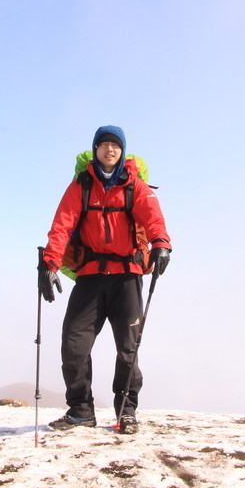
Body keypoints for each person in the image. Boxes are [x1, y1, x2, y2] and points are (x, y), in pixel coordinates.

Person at [38, 125, 171, 434]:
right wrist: (50, 264)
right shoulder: (81, 186)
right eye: (104, 145)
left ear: (122, 151)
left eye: (115, 145)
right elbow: (62, 224)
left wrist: (162, 244)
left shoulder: (134, 186)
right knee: (74, 345)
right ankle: (81, 410)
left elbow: (153, 217)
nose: (109, 149)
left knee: (128, 348)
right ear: (95, 150)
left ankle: (126, 412)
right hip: (90, 277)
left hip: (126, 277)